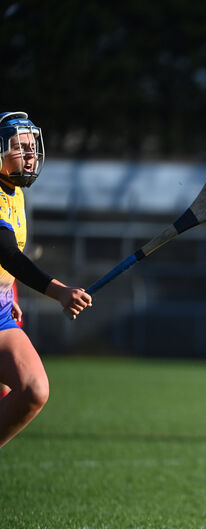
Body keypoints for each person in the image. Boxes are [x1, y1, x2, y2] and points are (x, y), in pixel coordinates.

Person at [0, 111, 92, 448]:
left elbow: (8, 262)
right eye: (19, 147)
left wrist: (13, 297)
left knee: (32, 389)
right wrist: (60, 292)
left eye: (31, 146)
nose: (29, 154)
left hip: (0, 315)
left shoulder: (15, 192)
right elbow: (6, 252)